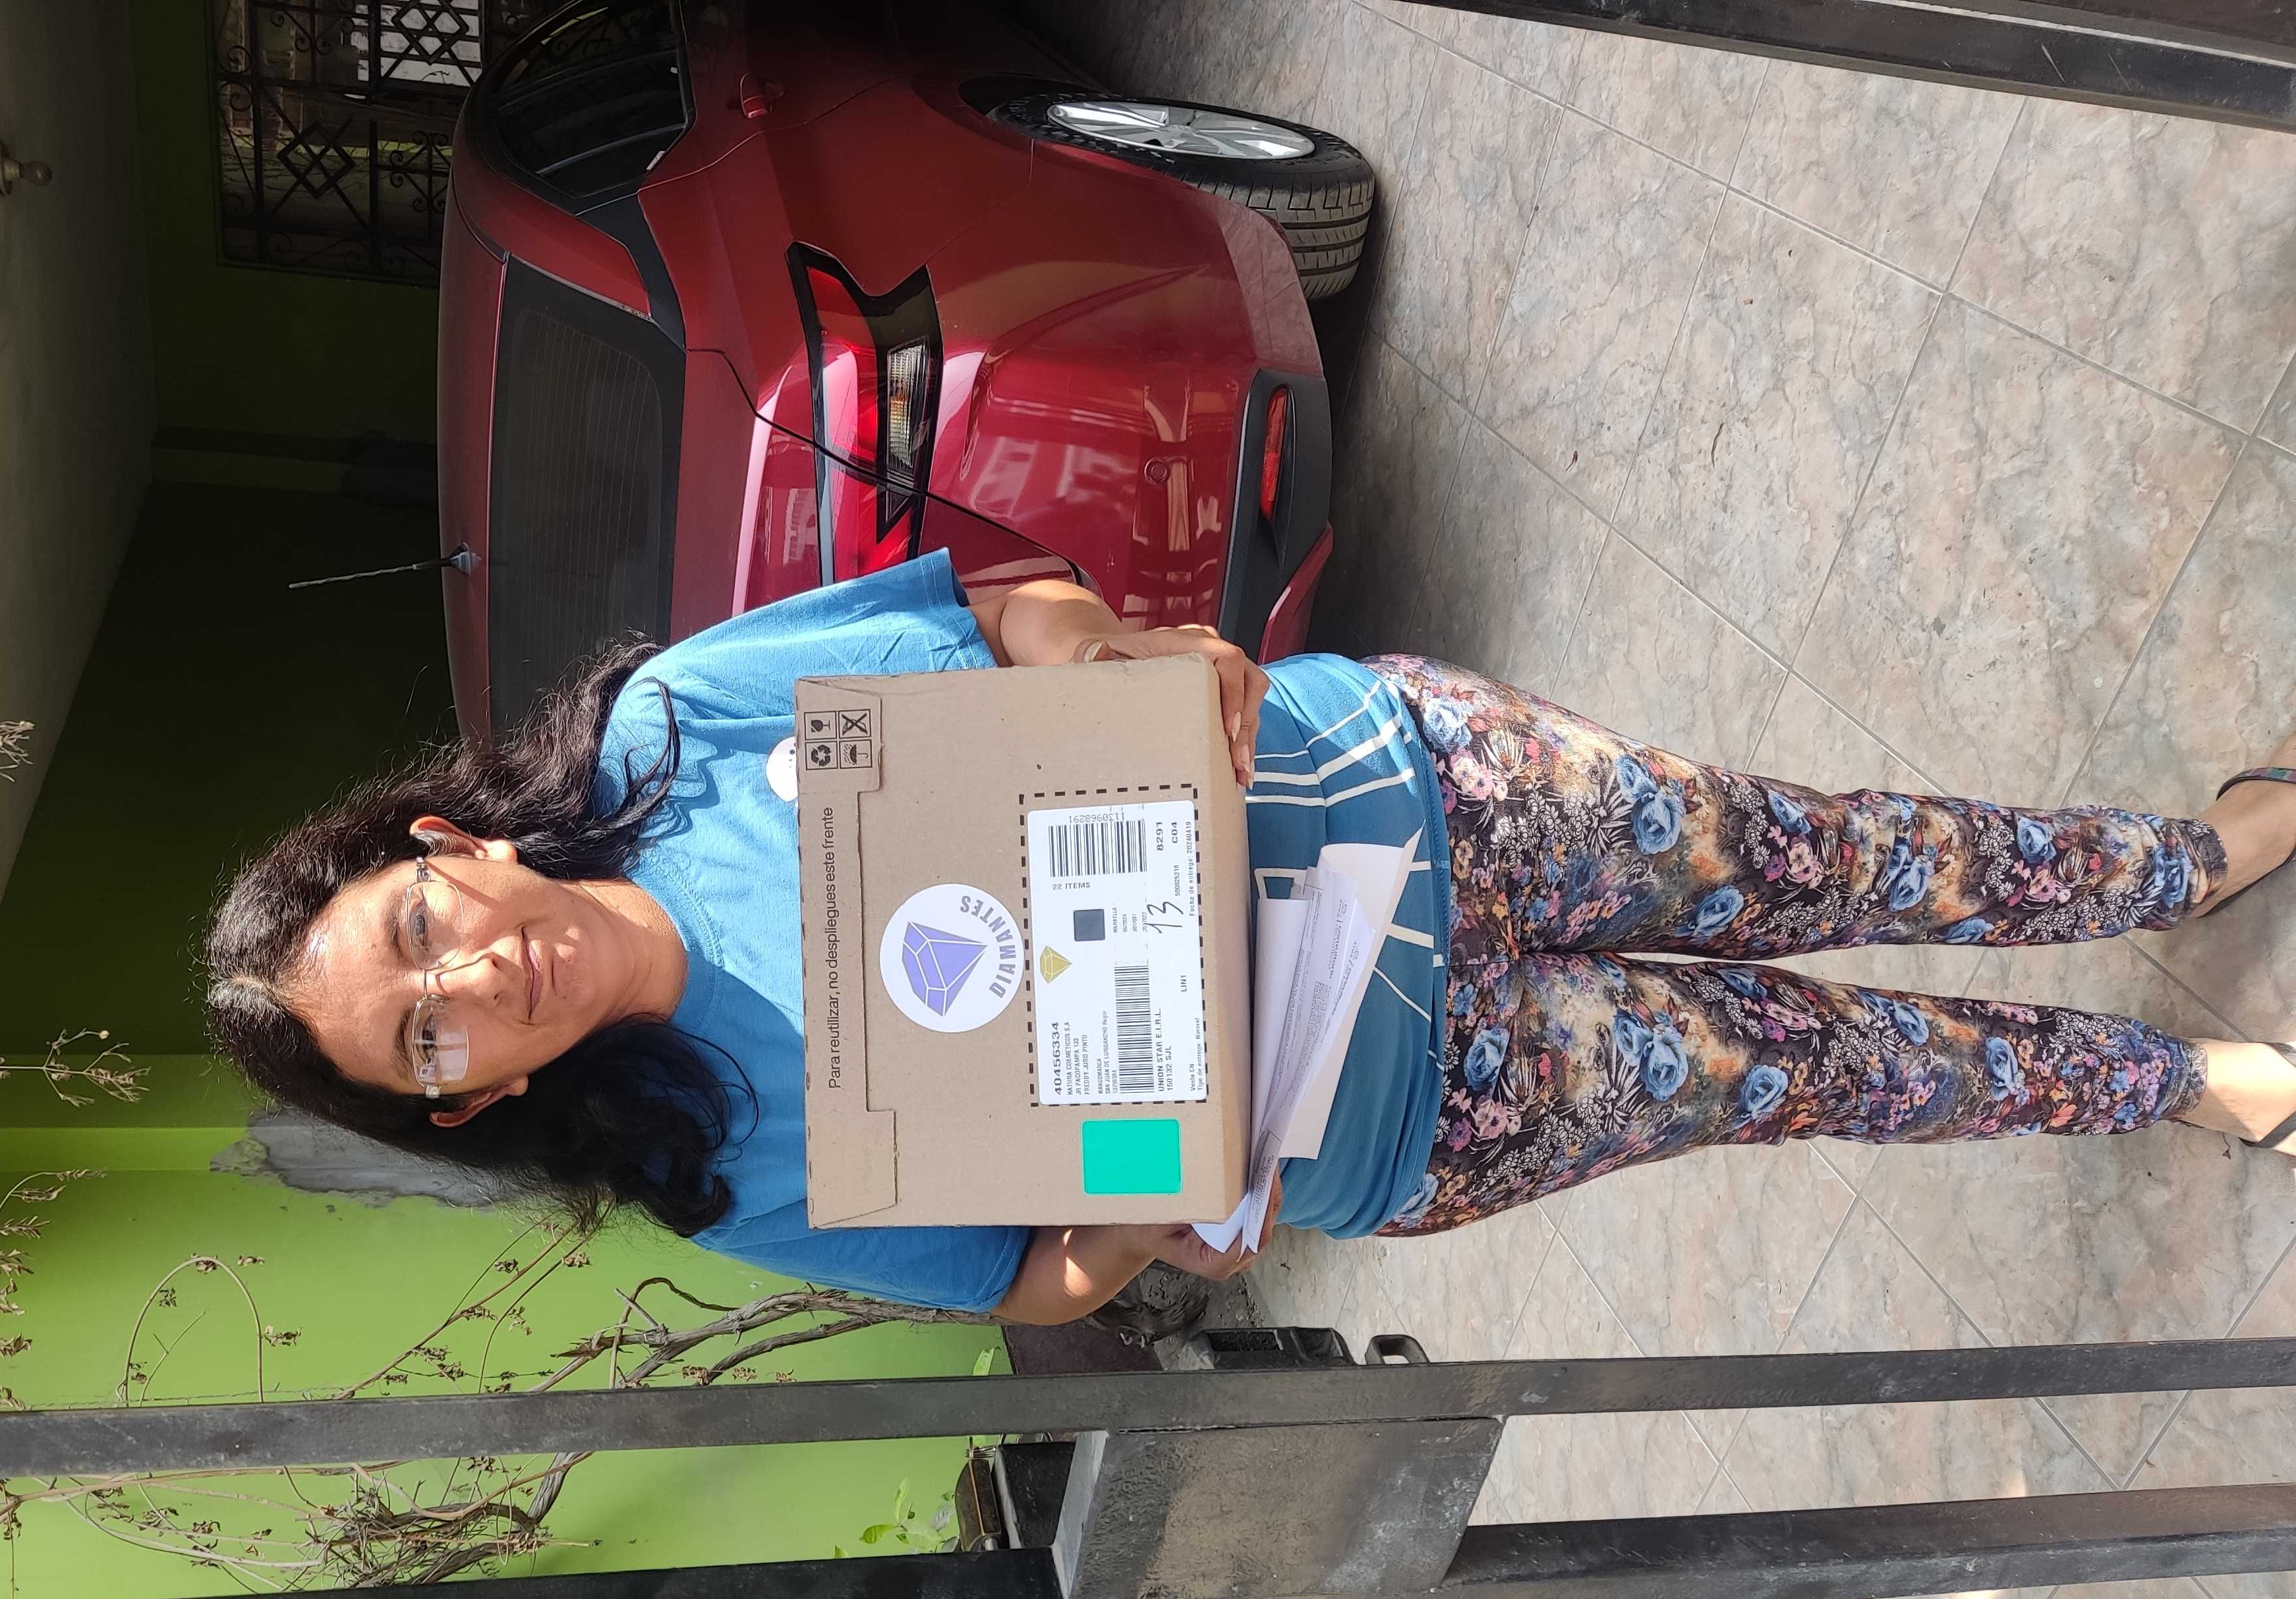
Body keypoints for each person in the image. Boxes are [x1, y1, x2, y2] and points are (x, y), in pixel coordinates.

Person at [206, 554, 2296, 1327]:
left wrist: (1114, 651)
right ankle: (2167, 1079)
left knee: (1819, 856)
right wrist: (1157, 1209)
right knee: (1811, 1075)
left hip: (1405, 790)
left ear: (439, 843)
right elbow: (1030, 1281)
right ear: (462, 1107)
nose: (465, 986)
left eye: (418, 932)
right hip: (1408, 1100)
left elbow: (995, 610)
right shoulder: (709, 1162)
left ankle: (2173, 867)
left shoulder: (683, 725)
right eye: (422, 1043)